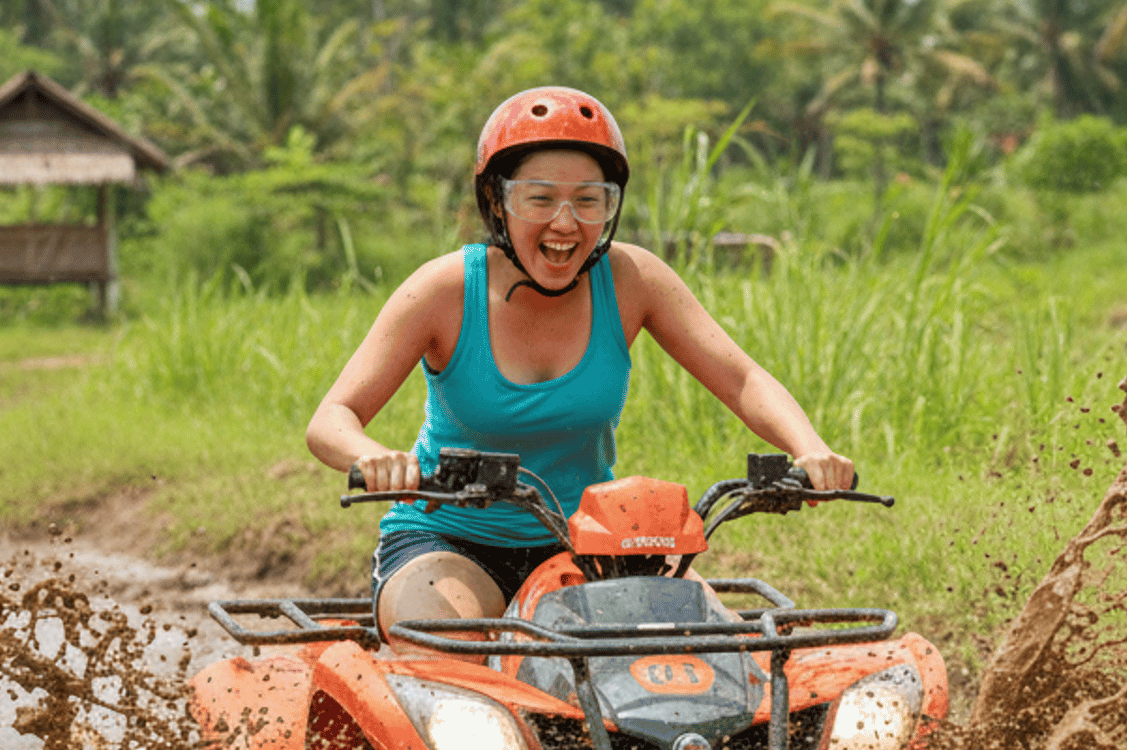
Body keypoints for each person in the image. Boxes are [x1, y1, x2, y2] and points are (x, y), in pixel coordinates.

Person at [306, 85, 853, 643]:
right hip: (445, 539)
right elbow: (332, 419)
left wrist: (809, 449)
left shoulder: (632, 280)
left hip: (588, 546)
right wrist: (377, 459)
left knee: (723, 655)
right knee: (448, 647)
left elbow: (742, 379)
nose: (565, 223)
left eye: (589, 200)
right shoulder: (444, 289)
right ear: (497, 202)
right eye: (538, 199)